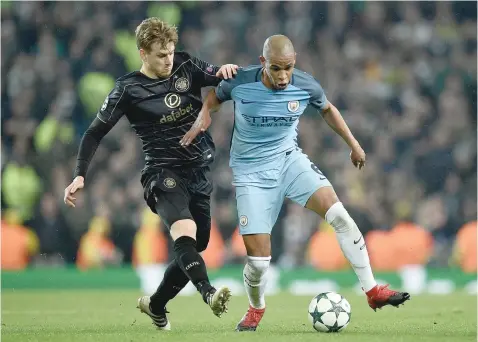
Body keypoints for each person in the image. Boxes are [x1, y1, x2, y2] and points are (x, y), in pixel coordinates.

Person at [181, 35, 411, 332]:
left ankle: (372, 291)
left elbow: (327, 109)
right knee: (260, 263)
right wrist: (204, 113)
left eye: (288, 68)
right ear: (263, 63)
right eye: (276, 68)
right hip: (251, 173)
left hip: (289, 160)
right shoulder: (240, 80)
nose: (283, 76)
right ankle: (256, 308)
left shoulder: (305, 85)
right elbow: (215, 95)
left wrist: (353, 145)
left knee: (339, 215)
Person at [63, 17, 237, 330]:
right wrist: (80, 175)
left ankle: (156, 305)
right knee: (184, 232)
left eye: (170, 52)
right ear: (143, 54)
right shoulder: (129, 89)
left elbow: (215, 73)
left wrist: (224, 70)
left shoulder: (185, 65)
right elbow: (93, 133)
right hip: (162, 173)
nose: (168, 59)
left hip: (198, 171)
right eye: (160, 55)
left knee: (198, 244)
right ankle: (208, 293)